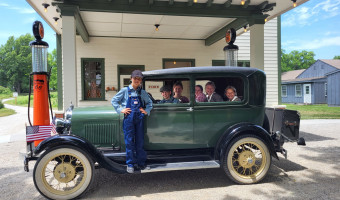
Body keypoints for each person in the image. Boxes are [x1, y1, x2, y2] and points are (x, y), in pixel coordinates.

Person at [111, 70, 153, 173]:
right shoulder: (125, 91)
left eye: (139, 79)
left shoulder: (142, 92)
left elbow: (149, 103)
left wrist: (146, 111)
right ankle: (130, 164)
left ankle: (141, 163)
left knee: (140, 141)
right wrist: (121, 109)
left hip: (139, 119)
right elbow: (114, 100)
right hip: (128, 120)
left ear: (141, 81)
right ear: (131, 79)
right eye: (135, 78)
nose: (137, 80)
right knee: (129, 142)